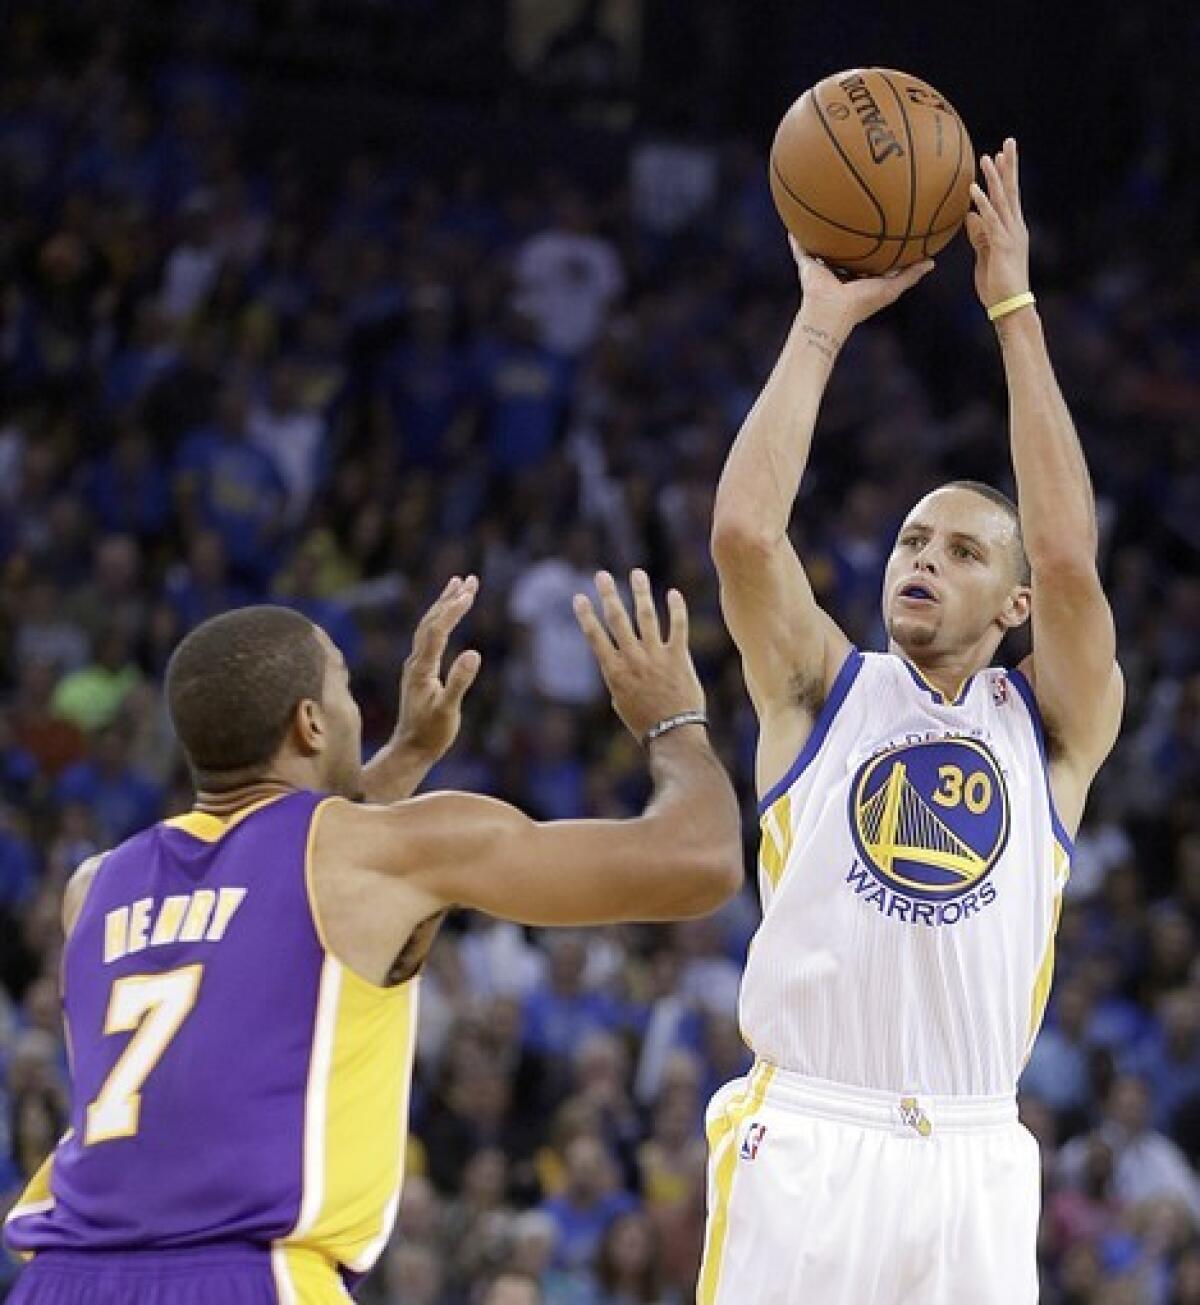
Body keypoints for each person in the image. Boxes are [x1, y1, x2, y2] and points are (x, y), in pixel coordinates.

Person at [3, 570, 742, 1303]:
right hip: (252, 1274)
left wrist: (407, 757)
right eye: (346, 685)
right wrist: (671, 719)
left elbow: (271, 884)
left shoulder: (91, 891)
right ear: (311, 723)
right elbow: (699, 862)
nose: (358, 707)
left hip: (58, 1277)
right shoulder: (385, 852)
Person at [703, 139, 1123, 1303]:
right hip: (809, 1134)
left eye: (962, 549)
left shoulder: (1051, 729)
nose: (923, 560)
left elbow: (1072, 556)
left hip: (976, 1150)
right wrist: (821, 326)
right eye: (910, 542)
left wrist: (1014, 310)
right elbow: (743, 535)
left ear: (1015, 600)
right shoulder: (822, 687)